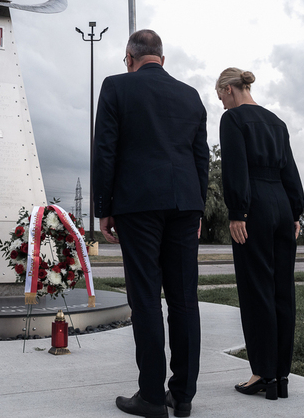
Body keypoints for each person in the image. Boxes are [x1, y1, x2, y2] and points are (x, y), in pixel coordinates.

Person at [93, 29, 209, 418]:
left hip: (138, 204)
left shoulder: (116, 88)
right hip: (184, 205)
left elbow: (105, 150)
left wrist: (103, 207)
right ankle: (184, 395)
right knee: (183, 299)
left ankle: (152, 397)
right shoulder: (190, 96)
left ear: (130, 57)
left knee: (145, 298)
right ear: (162, 57)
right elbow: (200, 159)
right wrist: (198, 209)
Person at [216, 67, 304, 401]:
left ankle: (262, 373)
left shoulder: (233, 120)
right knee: (283, 290)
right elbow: (290, 170)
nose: (222, 104)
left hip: (254, 207)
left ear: (229, 90)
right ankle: (281, 376)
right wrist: (295, 212)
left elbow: (235, 168)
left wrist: (237, 212)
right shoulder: (276, 122)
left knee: (257, 291)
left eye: (220, 96)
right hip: (282, 205)